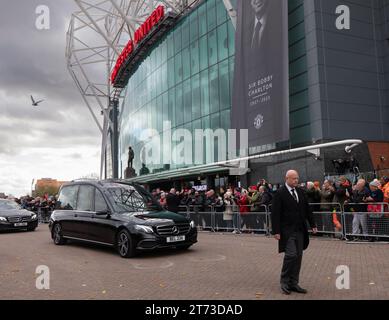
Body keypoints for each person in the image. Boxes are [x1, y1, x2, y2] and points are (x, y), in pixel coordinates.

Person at [271, 170, 317, 295]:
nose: (296, 181)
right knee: (291, 254)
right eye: (293, 179)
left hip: (300, 229)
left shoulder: (300, 192)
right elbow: (275, 213)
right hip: (287, 231)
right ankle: (284, 281)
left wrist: (313, 224)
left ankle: (294, 283)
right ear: (287, 178)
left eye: (297, 178)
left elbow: (307, 209)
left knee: (298, 256)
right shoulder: (279, 193)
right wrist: (276, 231)